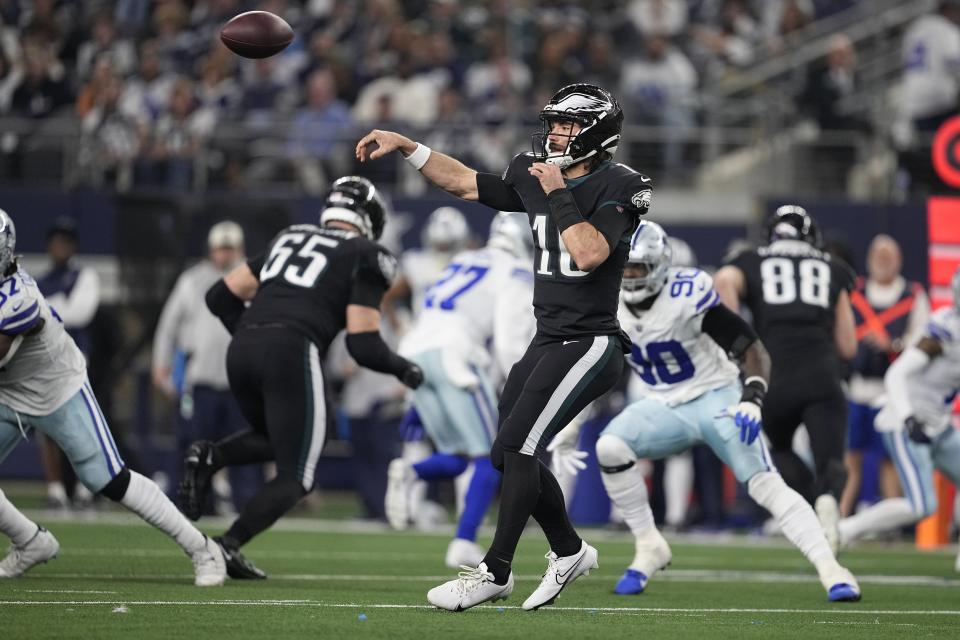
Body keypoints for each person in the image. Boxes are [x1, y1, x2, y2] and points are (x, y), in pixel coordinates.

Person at [357, 82, 652, 611]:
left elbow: (588, 253)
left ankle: (495, 569)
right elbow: (467, 184)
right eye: (555, 124)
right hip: (548, 337)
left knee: (519, 446)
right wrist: (408, 146)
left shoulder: (621, 184)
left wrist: (558, 192)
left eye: (568, 125)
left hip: (590, 341)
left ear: (598, 133)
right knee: (503, 452)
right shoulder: (534, 172)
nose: (556, 134)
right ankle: (568, 549)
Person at [550, 221, 861, 601]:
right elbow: (595, 368)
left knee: (765, 483)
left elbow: (749, 347)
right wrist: (573, 422)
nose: (629, 277)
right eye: (625, 267)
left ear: (660, 266)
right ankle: (649, 544)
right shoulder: (606, 302)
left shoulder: (687, 293)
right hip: (664, 403)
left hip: (717, 397)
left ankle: (832, 569)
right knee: (610, 447)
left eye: (638, 268)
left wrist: (751, 396)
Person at [179, 177, 424, 579]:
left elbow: (218, 297)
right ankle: (225, 546)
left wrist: (253, 332)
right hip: (293, 347)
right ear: (368, 218)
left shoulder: (289, 237)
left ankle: (211, 456)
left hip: (241, 348)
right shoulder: (367, 253)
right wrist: (406, 368)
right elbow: (362, 344)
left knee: (281, 439)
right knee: (298, 474)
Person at [0, 210, 225, 585]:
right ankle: (29, 541)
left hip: (58, 388)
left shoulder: (18, 298)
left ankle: (202, 548)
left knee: (107, 479)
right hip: (10, 392)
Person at [386, 212, 536, 568]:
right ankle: (463, 542)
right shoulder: (516, 270)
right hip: (456, 356)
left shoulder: (465, 259)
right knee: (490, 456)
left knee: (461, 454)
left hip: (416, 352)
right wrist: (523, 385)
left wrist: (415, 402)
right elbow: (508, 342)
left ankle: (411, 471)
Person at [715, 206, 857, 553]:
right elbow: (848, 346)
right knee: (832, 460)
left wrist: (737, 340)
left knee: (778, 449)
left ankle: (811, 506)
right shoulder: (833, 268)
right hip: (822, 371)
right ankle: (827, 500)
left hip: (773, 372)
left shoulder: (750, 259)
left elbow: (722, 281)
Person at [837, 267, 960, 573]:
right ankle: (845, 530)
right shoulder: (944, 331)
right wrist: (908, 418)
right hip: (907, 421)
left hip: (938, 423)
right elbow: (897, 373)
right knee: (922, 505)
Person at [152, 221, 261, 514]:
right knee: (193, 445)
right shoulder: (193, 280)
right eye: (221, 249)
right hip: (200, 382)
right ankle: (189, 506)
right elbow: (168, 326)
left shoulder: (255, 280)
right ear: (212, 250)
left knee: (245, 449)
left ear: (240, 250)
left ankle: (248, 507)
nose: (225, 255)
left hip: (240, 384)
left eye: (230, 249)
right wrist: (161, 364)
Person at [840, 235, 929, 516]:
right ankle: (839, 518)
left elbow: (922, 341)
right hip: (857, 387)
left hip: (892, 392)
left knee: (889, 459)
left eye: (888, 257)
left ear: (899, 261)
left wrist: (891, 345)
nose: (882, 263)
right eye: (878, 257)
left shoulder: (912, 295)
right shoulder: (856, 293)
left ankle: (891, 524)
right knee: (850, 457)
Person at [36, 217, 101, 510]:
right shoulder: (39, 281)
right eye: (57, 240)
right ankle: (55, 489)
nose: (61, 245)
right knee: (46, 428)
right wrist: (57, 305)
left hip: (75, 363)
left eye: (66, 240)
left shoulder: (85, 276)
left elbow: (80, 313)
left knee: (82, 426)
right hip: (44, 362)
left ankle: (86, 490)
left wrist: (47, 308)